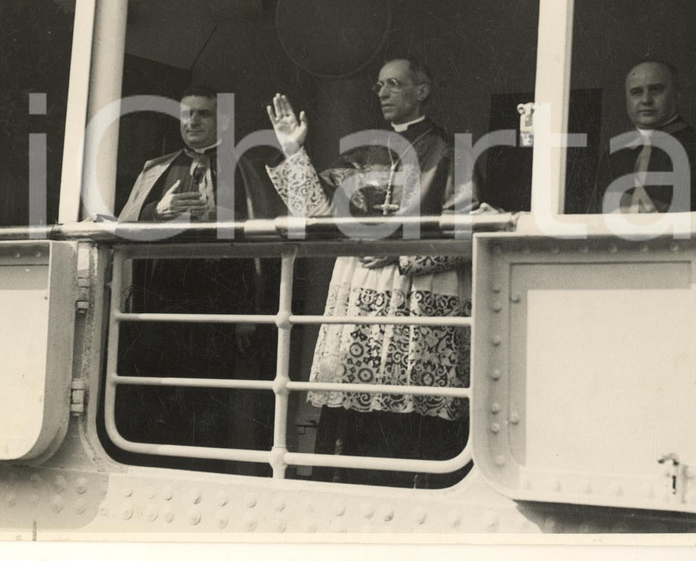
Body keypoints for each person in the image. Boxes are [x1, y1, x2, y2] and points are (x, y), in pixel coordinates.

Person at [266, 58, 476, 487]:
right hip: (362, 290)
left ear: (422, 90)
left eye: (393, 84)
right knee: (354, 415)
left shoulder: (454, 151)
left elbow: (467, 230)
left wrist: (398, 251)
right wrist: (293, 150)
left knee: (411, 418)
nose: (381, 92)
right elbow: (316, 214)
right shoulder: (362, 153)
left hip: (417, 292)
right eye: (378, 85)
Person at [115, 86, 282, 473]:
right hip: (160, 299)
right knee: (157, 392)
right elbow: (123, 227)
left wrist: (248, 312)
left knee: (212, 398)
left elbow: (263, 242)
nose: (192, 122)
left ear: (220, 119)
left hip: (220, 302)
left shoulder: (245, 169)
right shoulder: (155, 168)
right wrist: (158, 210)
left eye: (203, 114)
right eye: (186, 114)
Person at [595, 60, 696, 213]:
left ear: (677, 94)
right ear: (627, 99)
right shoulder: (613, 152)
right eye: (636, 92)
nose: (646, 100)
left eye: (656, 90)